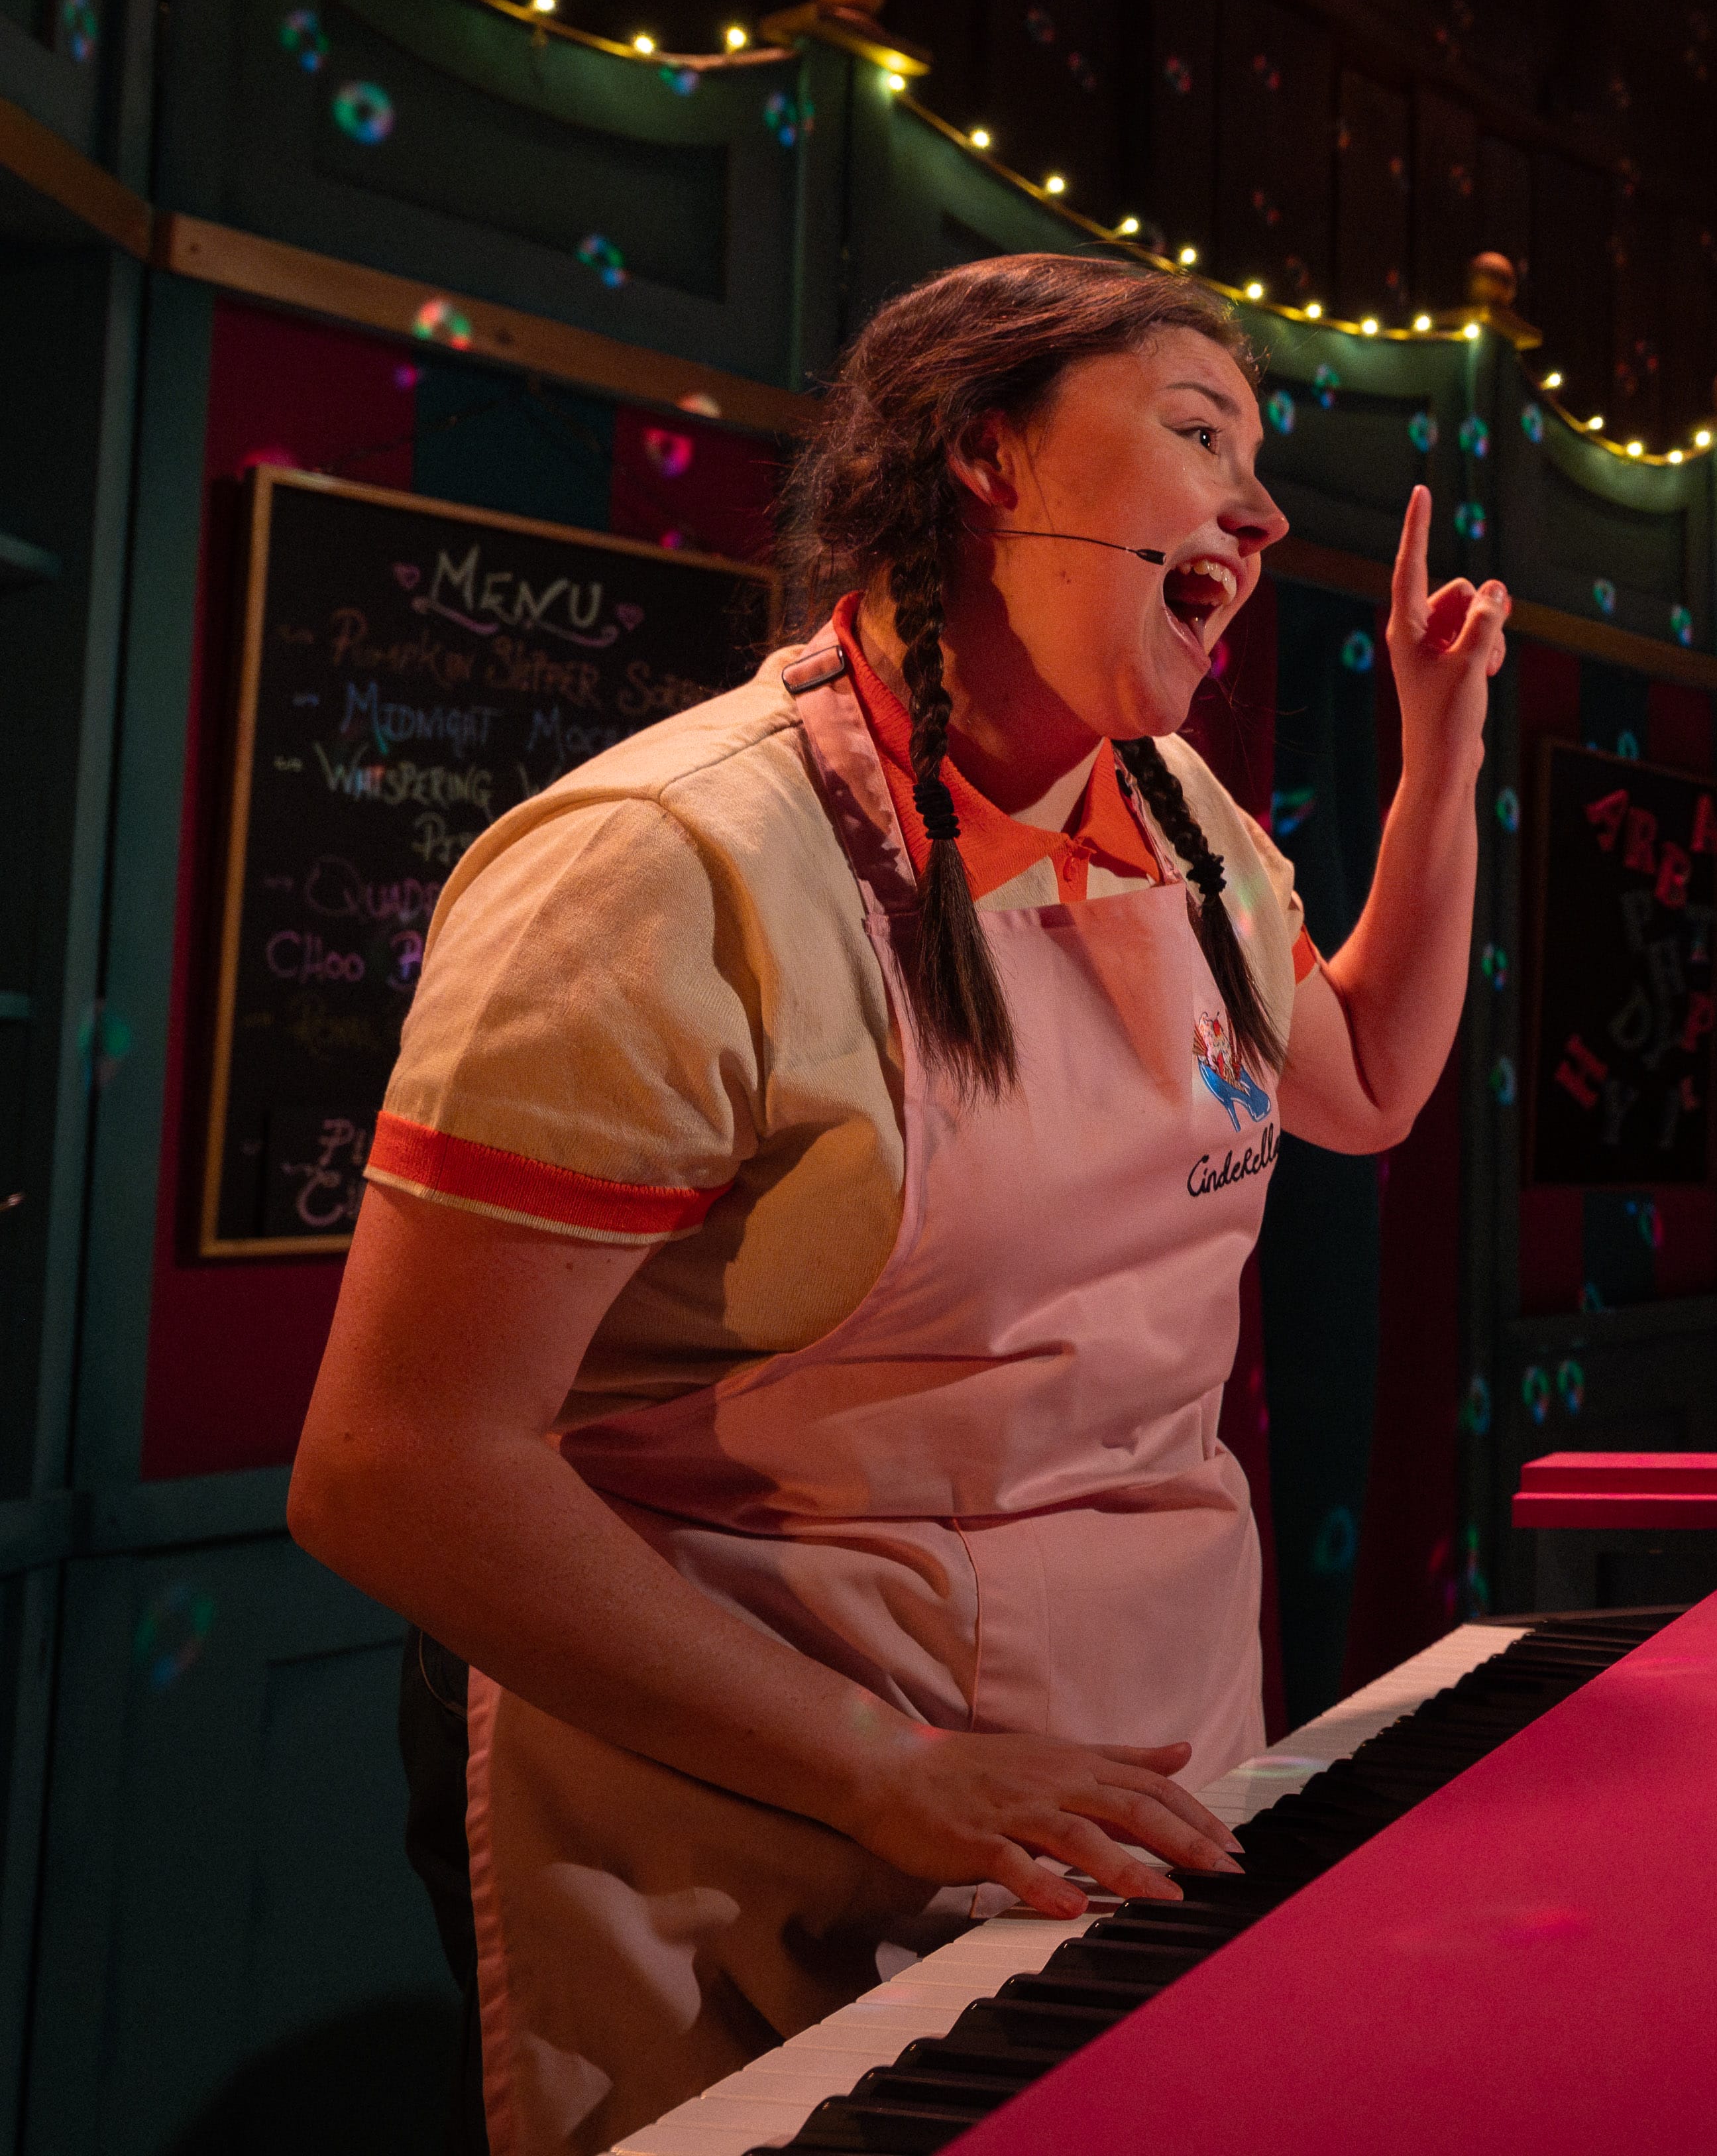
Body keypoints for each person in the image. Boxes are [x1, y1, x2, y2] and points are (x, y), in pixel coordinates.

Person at [289, 253, 1510, 2156]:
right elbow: (394, 1464)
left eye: (1259, 465)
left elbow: (1362, 1082)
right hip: (771, 1825)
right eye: (1200, 435)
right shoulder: (667, 865)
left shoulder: (1178, 812)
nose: (1263, 515)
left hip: (1148, 1762)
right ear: (987, 457)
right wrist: (895, 1775)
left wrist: (1447, 758)